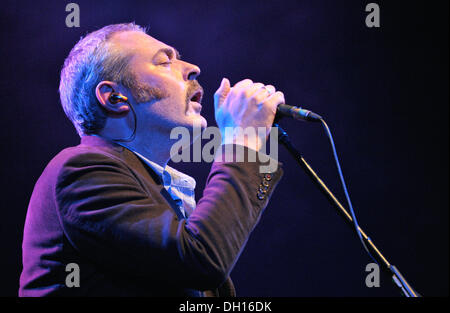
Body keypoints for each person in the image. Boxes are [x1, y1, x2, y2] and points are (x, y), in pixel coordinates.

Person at [19, 23, 285, 297]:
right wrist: (243, 143)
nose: (192, 67)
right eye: (164, 61)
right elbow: (201, 260)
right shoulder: (80, 171)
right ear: (114, 98)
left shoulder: (159, 191)